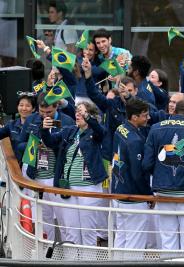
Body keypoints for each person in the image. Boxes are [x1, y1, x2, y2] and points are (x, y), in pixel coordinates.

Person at [142, 99, 184, 250]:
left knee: (167, 238)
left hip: (163, 190)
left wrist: (160, 173)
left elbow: (147, 164)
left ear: (173, 112)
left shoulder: (155, 128)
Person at [41, 101, 107, 246]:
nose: (78, 114)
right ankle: (72, 262)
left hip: (89, 188)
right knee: (71, 231)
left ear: (90, 115)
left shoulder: (95, 133)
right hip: (68, 188)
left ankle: (87, 263)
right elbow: (51, 142)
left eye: (81, 112)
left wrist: (88, 118)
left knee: (88, 232)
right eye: (77, 111)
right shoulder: (69, 131)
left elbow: (100, 131)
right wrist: (44, 130)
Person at [18, 93, 75, 241]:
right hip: (35, 176)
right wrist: (35, 144)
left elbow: (69, 147)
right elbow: (19, 145)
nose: (44, 116)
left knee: (65, 220)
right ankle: (46, 253)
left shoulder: (66, 121)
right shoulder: (31, 119)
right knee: (43, 220)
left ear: (57, 106)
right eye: (42, 112)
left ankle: (69, 254)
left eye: (48, 112)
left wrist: (51, 142)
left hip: (56, 178)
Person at [112, 98, 152, 251]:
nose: (148, 118)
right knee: (135, 244)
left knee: (121, 239)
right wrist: (147, 194)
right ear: (134, 117)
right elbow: (137, 174)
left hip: (118, 192)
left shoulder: (120, 128)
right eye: (144, 115)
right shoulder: (135, 140)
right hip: (133, 197)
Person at [1, 93, 36, 163]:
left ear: (33, 109)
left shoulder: (37, 126)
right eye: (21, 105)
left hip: (31, 165)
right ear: (17, 107)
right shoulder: (11, 125)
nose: (24, 108)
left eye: (28, 106)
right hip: (16, 166)